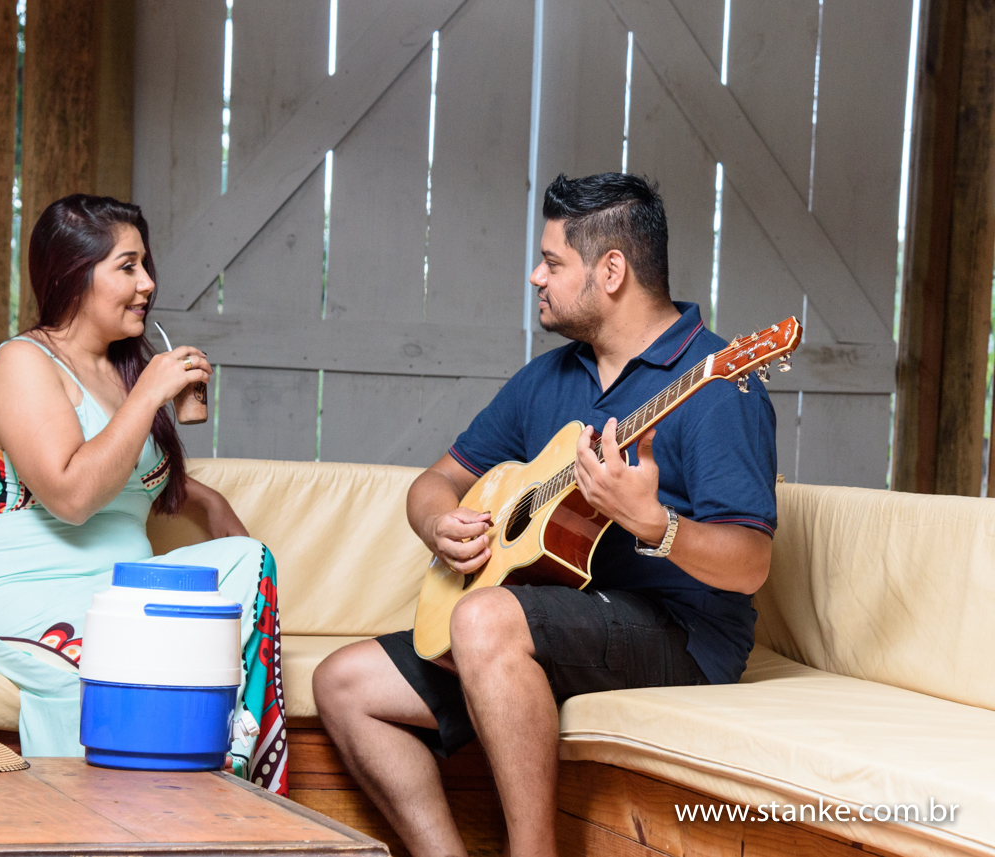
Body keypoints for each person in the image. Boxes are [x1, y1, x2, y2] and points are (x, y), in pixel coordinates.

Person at [313, 173, 777, 856]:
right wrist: (439, 521)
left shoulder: (717, 384)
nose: (536, 275)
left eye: (553, 261)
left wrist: (654, 523)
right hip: (561, 616)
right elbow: (435, 481)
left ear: (611, 269)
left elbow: (750, 566)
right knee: (343, 682)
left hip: (683, 634)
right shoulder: (550, 378)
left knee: (483, 617)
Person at [0, 195, 285, 792]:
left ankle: (235, 766)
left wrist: (201, 497)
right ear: (74, 275)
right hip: (22, 591)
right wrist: (148, 396)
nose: (148, 283)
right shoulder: (23, 363)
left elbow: (129, 478)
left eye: (145, 265)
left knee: (250, 557)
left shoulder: (127, 368)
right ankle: (85, 829)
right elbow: (73, 496)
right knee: (116, 674)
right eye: (127, 267)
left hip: (118, 595)